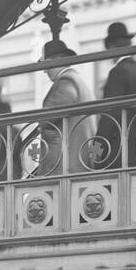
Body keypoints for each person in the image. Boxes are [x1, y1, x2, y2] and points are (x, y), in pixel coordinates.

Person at [95, 22, 136, 168]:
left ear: (112, 47)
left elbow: (109, 118)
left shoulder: (117, 73)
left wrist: (95, 152)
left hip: (119, 158)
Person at [34, 40, 96, 177]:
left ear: (58, 60)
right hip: (78, 163)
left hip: (64, 167)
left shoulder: (66, 81)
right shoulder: (78, 81)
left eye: (47, 64)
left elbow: (47, 117)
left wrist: (39, 123)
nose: (44, 71)